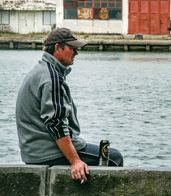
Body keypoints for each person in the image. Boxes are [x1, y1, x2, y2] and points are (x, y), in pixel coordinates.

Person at [16, 28, 123, 183]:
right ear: (58, 48)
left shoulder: (42, 70)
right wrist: (75, 161)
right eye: (73, 48)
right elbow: (56, 124)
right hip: (46, 153)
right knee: (114, 158)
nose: (76, 53)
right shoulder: (51, 77)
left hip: (34, 151)